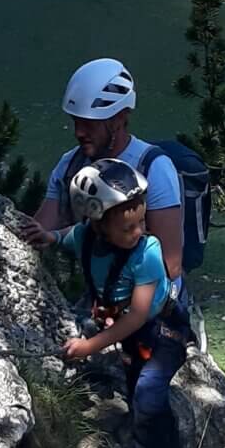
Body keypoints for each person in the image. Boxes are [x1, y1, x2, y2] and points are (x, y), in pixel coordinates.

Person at [22, 157, 192, 448]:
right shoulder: (87, 238)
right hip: (132, 336)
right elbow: (70, 237)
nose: (139, 232)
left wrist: (89, 346)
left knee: (147, 391)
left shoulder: (148, 252)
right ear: (98, 225)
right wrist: (49, 237)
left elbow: (138, 315)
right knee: (139, 393)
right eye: (128, 228)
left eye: (141, 222)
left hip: (162, 331)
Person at [33, 59, 184, 289]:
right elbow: (41, 230)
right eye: (76, 122)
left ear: (120, 118)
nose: (79, 132)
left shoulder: (155, 168)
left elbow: (171, 266)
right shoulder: (69, 165)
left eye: (89, 124)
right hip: (101, 297)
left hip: (148, 307)